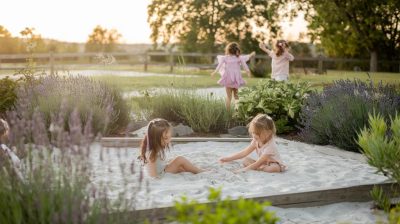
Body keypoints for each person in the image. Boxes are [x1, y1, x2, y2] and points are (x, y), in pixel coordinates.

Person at [139, 118, 205, 178]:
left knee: (182, 168)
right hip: (161, 175)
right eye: (165, 138)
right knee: (180, 159)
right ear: (155, 139)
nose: (169, 140)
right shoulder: (151, 154)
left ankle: (197, 170)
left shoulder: (155, 148)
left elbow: (158, 164)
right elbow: (153, 176)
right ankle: (200, 171)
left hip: (163, 170)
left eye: (170, 137)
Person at [219, 114, 286, 173]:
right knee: (245, 160)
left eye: (257, 133)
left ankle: (258, 168)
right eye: (253, 132)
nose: (254, 135)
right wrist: (228, 158)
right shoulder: (256, 140)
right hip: (263, 163)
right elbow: (244, 152)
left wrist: (243, 170)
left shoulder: (271, 146)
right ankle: (259, 168)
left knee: (274, 168)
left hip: (273, 164)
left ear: (268, 133)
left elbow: (258, 162)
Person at [211, 42, 255, 109]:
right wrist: (248, 72)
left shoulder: (225, 58)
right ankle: (237, 111)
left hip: (228, 79)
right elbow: (245, 66)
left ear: (228, 50)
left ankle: (227, 112)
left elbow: (219, 66)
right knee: (236, 96)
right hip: (236, 79)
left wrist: (214, 72)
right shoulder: (239, 58)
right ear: (236, 50)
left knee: (229, 97)